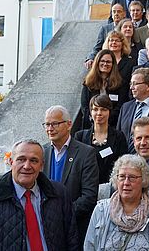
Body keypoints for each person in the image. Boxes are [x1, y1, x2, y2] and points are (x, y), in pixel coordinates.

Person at [0, 139, 80, 250]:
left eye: (34, 160)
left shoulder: (59, 193)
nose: (27, 166)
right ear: (11, 162)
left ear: (41, 165)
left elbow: (72, 239)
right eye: (21, 159)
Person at [42, 105, 99, 248]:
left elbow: (89, 196)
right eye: (47, 124)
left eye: (55, 123)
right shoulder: (41, 152)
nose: (50, 128)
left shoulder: (86, 153)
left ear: (69, 124)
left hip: (73, 228)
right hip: (44, 228)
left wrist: (62, 214)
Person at [84, 154, 149, 250]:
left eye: (132, 177)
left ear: (144, 180)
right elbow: (89, 246)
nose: (126, 182)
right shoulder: (101, 209)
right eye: (122, 177)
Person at [75, 94, 128, 184]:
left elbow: (123, 163)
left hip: (111, 186)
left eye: (103, 109)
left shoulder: (119, 137)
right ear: (91, 112)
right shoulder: (80, 137)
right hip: (85, 186)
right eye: (95, 109)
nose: (99, 113)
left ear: (109, 112)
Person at [116, 68, 149, 153]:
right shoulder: (126, 107)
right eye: (131, 84)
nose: (132, 87)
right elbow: (119, 135)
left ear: (148, 85)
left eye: (135, 84)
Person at [80, 49, 128, 129]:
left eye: (108, 62)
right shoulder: (88, 83)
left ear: (113, 65)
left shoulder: (121, 84)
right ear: (97, 63)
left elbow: (120, 106)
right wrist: (95, 119)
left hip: (113, 126)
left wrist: (106, 119)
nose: (105, 64)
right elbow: (85, 106)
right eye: (102, 61)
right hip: (91, 126)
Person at [85, 3, 125, 69]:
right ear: (111, 14)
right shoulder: (105, 29)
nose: (116, 14)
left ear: (124, 14)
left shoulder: (128, 28)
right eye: (114, 11)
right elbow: (98, 46)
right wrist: (90, 58)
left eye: (119, 11)